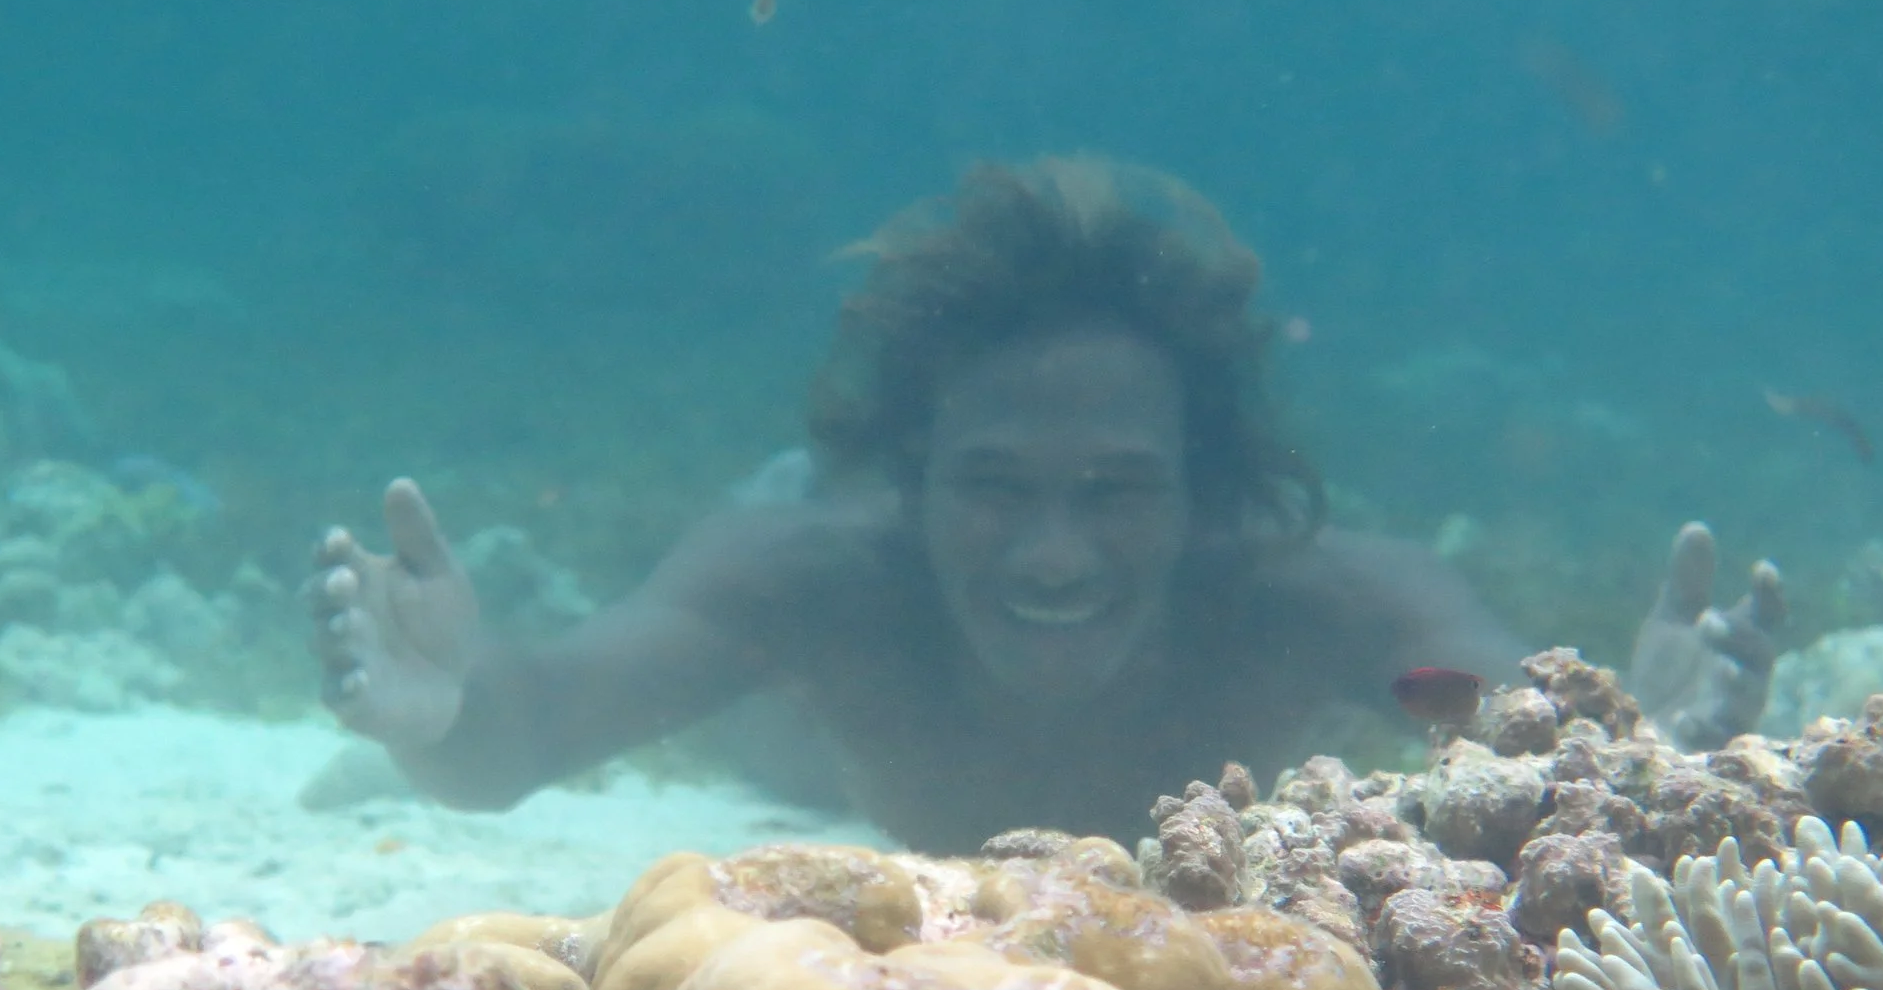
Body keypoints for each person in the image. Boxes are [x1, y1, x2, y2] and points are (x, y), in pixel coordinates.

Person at [307, 156, 1782, 854]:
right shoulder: (814, 581)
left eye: (1120, 491)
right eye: (992, 485)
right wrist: (443, 708)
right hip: (819, 743)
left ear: (1207, 498)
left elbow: (1506, 727)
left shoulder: (1322, 605)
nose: (1057, 551)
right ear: (909, 483)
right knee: (780, 749)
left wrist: (1631, 747)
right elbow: (530, 732)